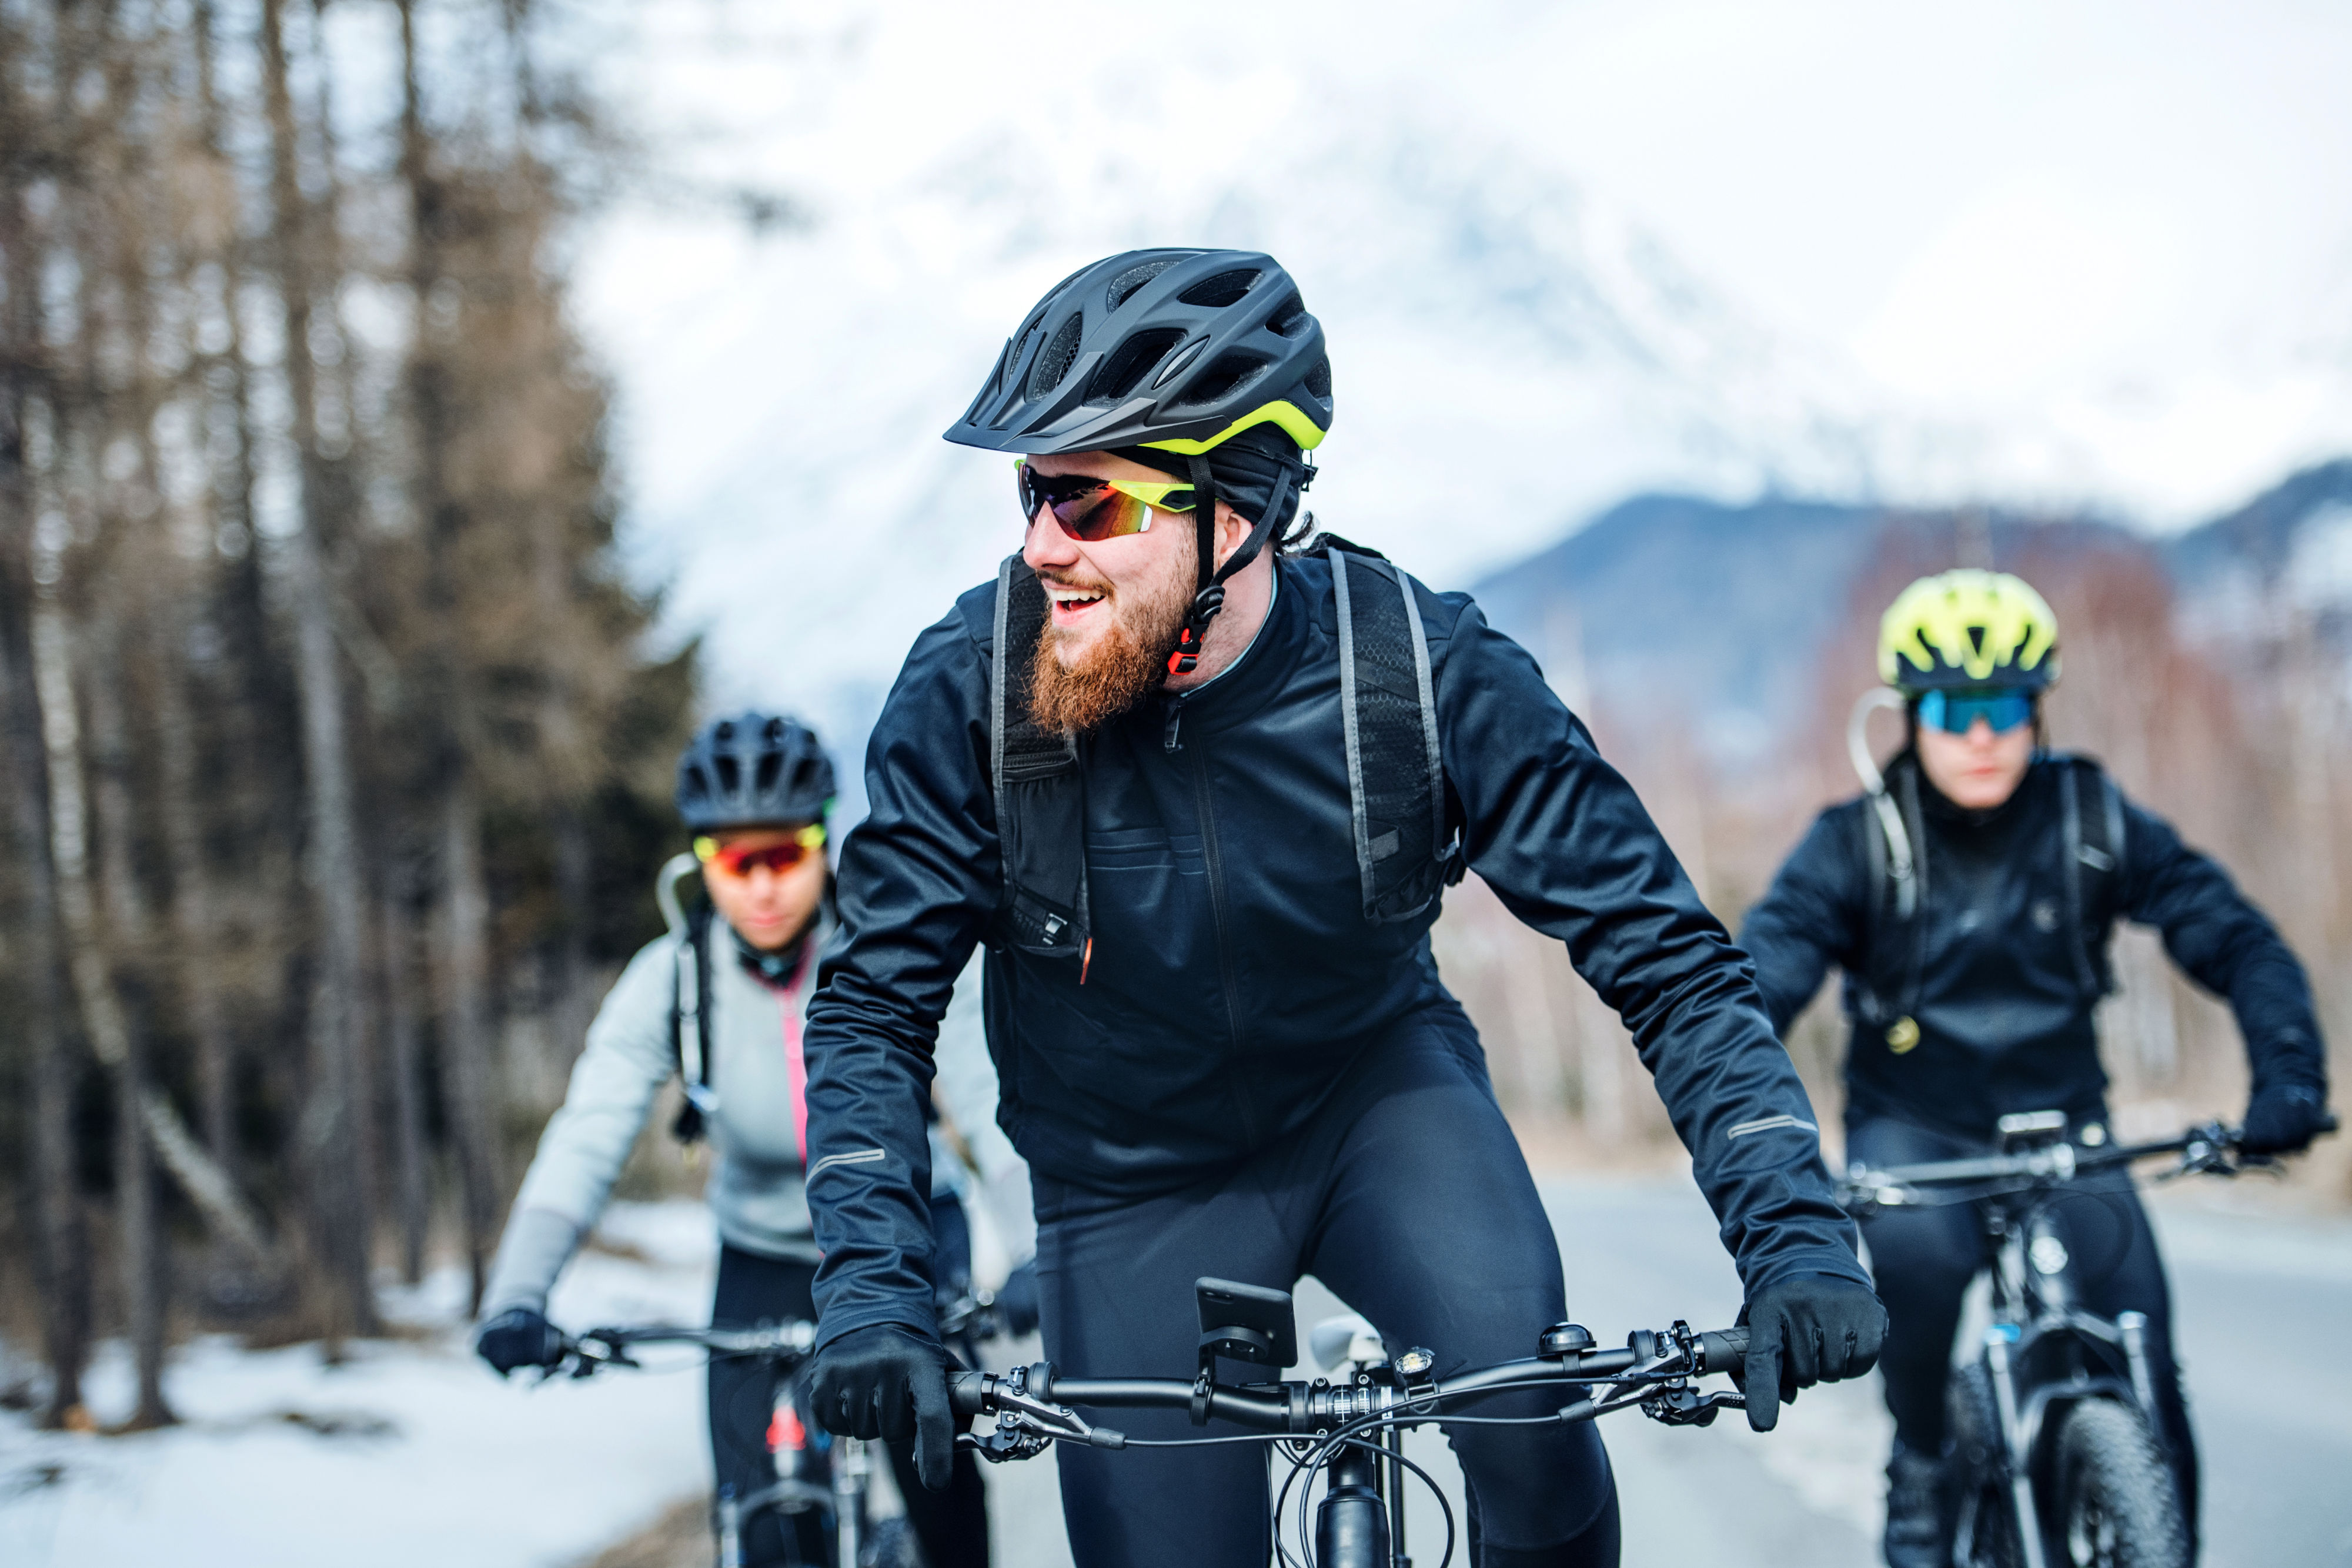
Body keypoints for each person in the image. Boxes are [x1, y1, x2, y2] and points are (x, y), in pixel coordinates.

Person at [790, 248, 1886, 1568]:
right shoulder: (972, 689)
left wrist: (1793, 1234)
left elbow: (1664, 954)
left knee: (1532, 1437)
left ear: (1235, 504)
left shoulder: (1419, 670)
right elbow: (867, 1011)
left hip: (1379, 1111)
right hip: (1126, 1184)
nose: (1039, 544)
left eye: (1086, 499)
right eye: (1030, 492)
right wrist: (871, 1295)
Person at [1737, 569, 2334, 1568]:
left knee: (2142, 1346)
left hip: (2068, 1130)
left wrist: (2289, 1078)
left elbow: (2233, 937)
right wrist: (1763, 1145)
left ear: (2037, 710)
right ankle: (1922, 1462)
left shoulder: (2090, 817)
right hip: (1916, 1137)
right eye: (1953, 708)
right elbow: (1759, 986)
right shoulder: (1857, 845)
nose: (1981, 734)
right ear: (1909, 715)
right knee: (1916, 1291)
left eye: (2006, 706)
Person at [472, 713, 1027, 1568]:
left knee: (940, 1489)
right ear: (700, 863)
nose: (762, 885)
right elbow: (590, 1131)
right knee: (761, 1524)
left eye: (785, 852)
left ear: (824, 845)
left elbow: (990, 1099)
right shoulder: (674, 977)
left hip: (904, 1244)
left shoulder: (893, 950)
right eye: (735, 861)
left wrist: (1030, 1252)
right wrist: (518, 1292)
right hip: (761, 1257)